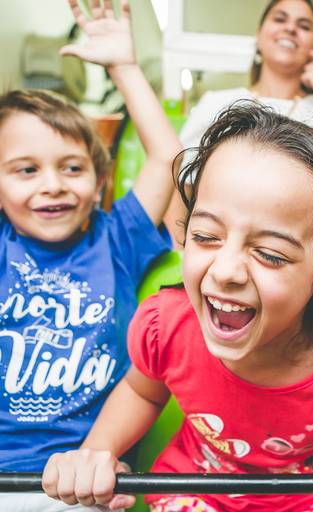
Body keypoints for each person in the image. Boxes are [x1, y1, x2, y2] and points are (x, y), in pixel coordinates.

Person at [40, 101, 313, 512]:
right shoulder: (167, 324)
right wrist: (96, 452)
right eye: (207, 236)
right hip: (195, 492)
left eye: (270, 253)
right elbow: (142, 391)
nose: (226, 271)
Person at [0, 0, 177, 510]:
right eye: (26, 170)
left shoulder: (116, 236)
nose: (52, 186)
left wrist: (124, 67)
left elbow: (166, 157)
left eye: (72, 168)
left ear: (100, 180)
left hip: (82, 476)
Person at [165, 0, 313, 245]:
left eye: (304, 26)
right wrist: (180, 246)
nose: (290, 29)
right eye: (280, 19)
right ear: (258, 36)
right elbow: (179, 180)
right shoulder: (217, 102)